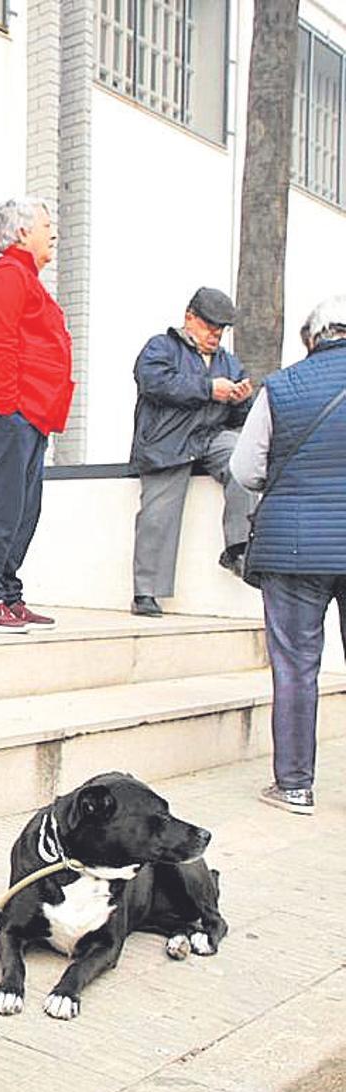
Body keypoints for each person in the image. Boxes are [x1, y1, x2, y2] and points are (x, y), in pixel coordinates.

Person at [229, 295, 346, 816]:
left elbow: (245, 468)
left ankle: (295, 786)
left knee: (297, 667)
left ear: (312, 338)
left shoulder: (282, 386)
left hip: (294, 545)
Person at [0, 197, 75, 634]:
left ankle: (6, 592)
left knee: (24, 507)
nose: (53, 232)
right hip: (10, 410)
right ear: (22, 232)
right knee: (2, 505)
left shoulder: (23, 277)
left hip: (29, 413)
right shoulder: (5, 275)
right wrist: (9, 406)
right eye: (46, 224)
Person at [129, 288, 255, 617]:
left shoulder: (229, 362)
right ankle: (146, 592)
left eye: (221, 328)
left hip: (210, 437)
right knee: (158, 515)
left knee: (242, 460)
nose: (216, 334)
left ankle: (239, 546)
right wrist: (209, 389)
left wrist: (241, 399)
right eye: (211, 325)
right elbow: (154, 382)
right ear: (190, 318)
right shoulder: (161, 346)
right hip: (166, 442)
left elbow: (241, 419)